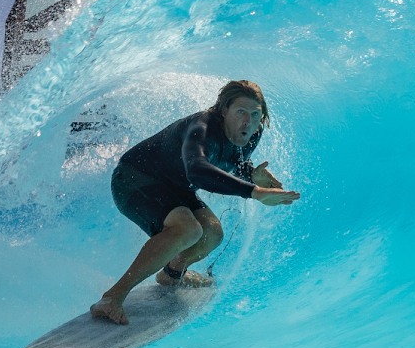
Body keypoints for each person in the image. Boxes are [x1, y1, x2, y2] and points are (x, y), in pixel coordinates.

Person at [90, 80, 301, 324]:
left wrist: (251, 173)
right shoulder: (203, 128)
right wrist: (254, 191)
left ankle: (172, 274)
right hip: (133, 178)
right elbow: (198, 169)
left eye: (256, 114)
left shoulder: (252, 133)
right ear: (224, 112)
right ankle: (111, 297)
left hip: (175, 187)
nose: (248, 121)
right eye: (241, 112)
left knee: (212, 232)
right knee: (188, 229)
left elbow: (231, 160)